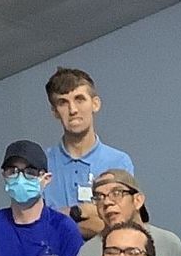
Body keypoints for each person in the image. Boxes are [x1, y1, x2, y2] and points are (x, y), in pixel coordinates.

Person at [43, 66, 135, 241]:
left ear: (95, 104)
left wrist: (68, 213)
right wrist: (90, 216)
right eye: (63, 102)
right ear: (55, 112)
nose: (73, 110)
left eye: (79, 99)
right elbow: (37, 227)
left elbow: (120, 227)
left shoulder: (119, 162)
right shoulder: (42, 163)